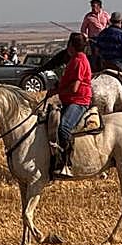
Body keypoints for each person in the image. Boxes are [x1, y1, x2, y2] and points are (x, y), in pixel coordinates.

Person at [45, 33, 93, 178]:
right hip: (69, 99)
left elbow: (74, 88)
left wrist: (55, 91)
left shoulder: (79, 61)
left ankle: (66, 163)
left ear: (71, 46)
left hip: (78, 100)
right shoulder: (75, 59)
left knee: (64, 127)